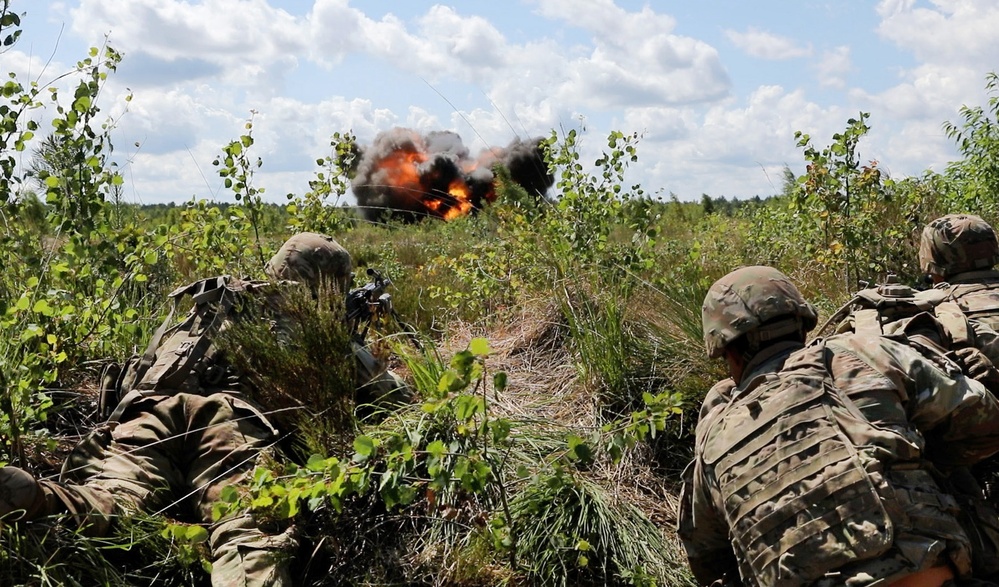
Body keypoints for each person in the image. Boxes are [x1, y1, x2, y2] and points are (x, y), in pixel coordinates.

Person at [0, 232, 408, 587]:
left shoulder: (214, 304)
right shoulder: (310, 324)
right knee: (247, 526)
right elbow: (396, 399)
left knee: (117, 497)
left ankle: (43, 500)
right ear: (329, 287)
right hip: (228, 424)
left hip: (151, 414)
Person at [677, 265, 999, 587]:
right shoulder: (862, 351)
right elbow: (986, 423)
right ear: (802, 325)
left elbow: (708, 560)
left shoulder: (713, 432)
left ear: (727, 352)